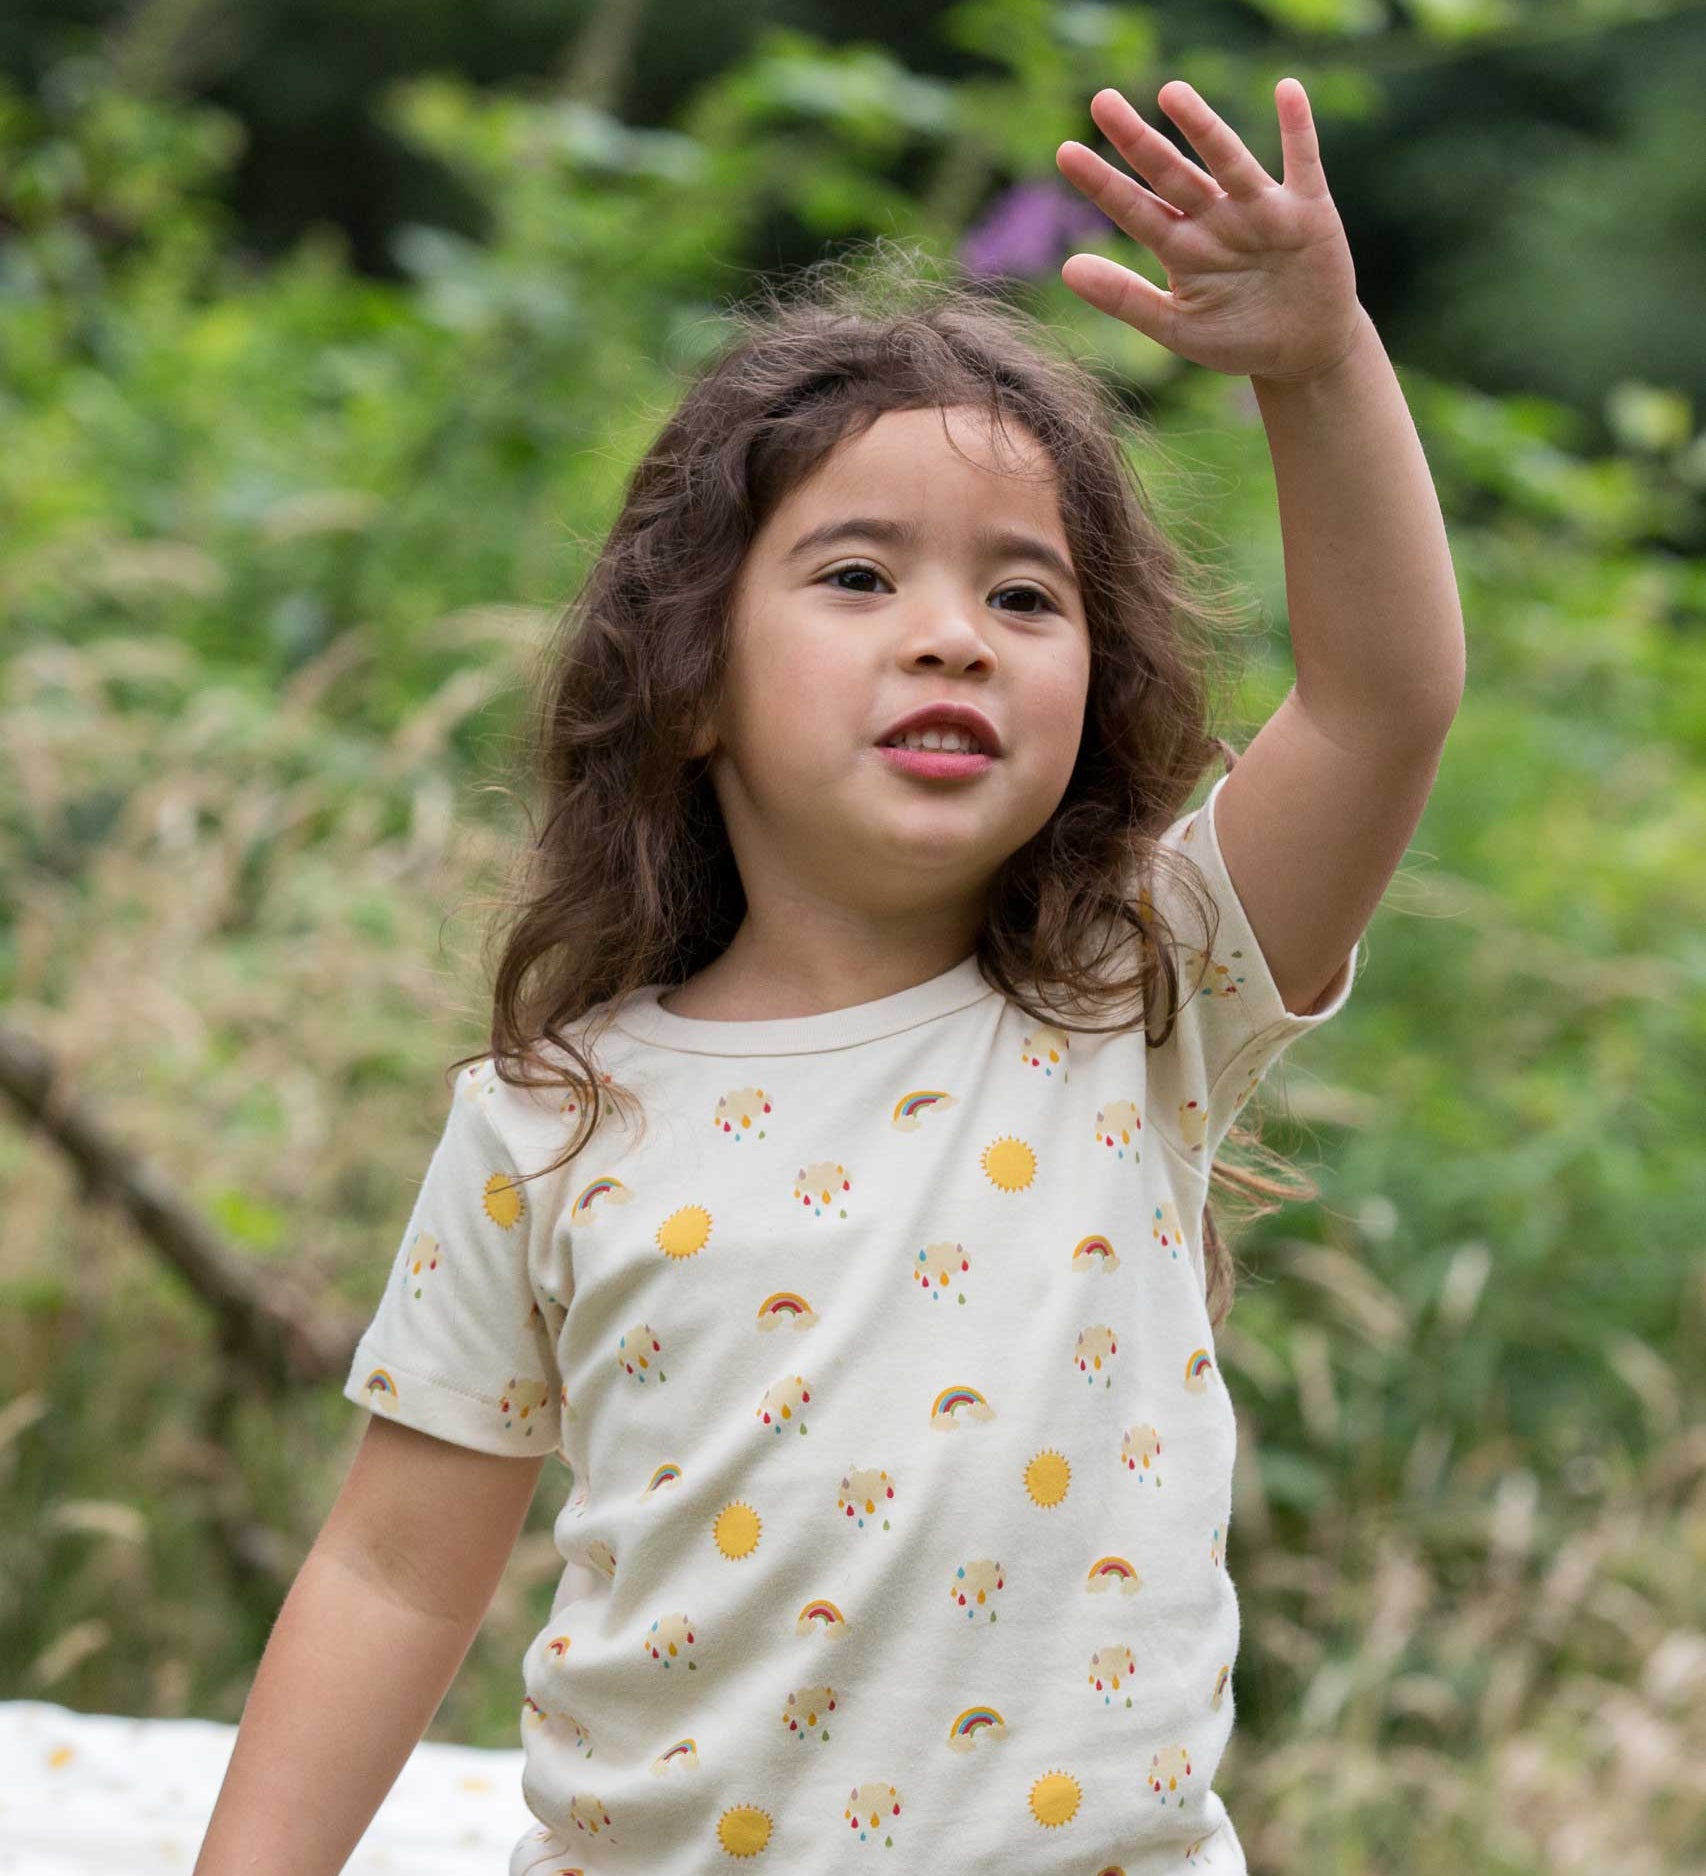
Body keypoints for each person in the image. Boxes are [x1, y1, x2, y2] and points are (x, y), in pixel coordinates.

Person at [195, 76, 1462, 1876]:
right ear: (692, 684)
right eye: (858, 574)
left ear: (1093, 690)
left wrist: (1315, 364)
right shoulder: (554, 1118)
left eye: (1026, 599)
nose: (953, 629)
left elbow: (1382, 699)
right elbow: (393, 1571)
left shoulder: (1142, 994)